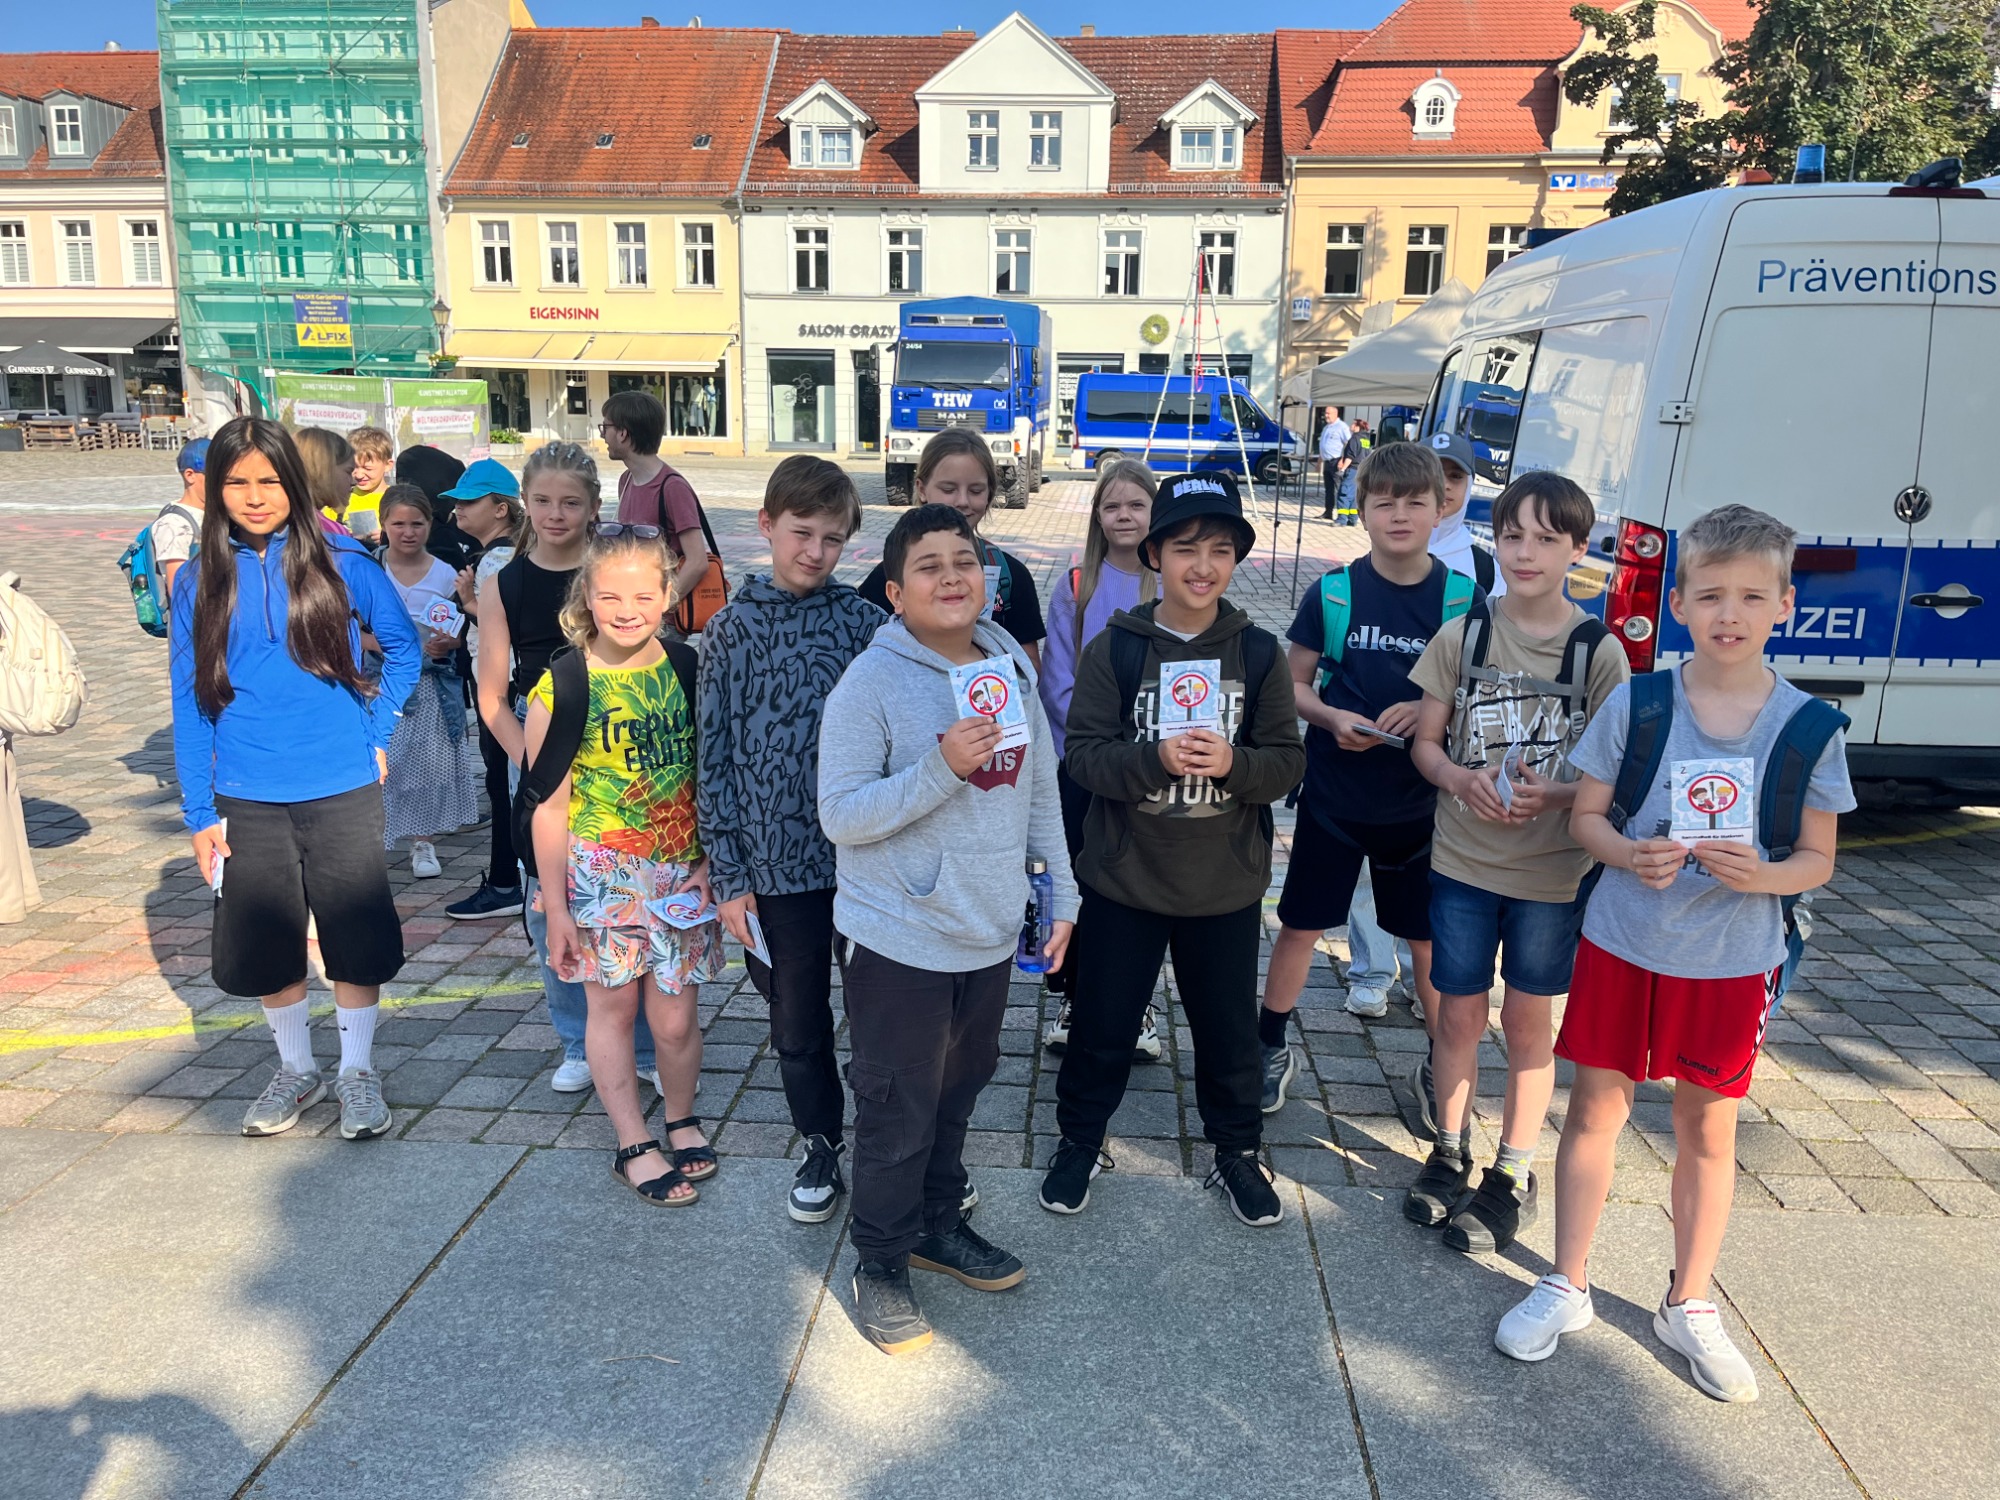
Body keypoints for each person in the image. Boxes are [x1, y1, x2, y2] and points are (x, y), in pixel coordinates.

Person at [1496, 504, 1853, 1405]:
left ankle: (1688, 1300)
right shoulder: (1640, 701)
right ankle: (1568, 1281)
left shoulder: (1811, 727)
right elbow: (1586, 817)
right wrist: (1628, 854)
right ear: (1680, 603)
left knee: (1707, 1128)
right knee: (1594, 1111)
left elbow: (1818, 858)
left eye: (1752, 596)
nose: (1730, 613)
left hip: (1733, 959)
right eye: (1711, 595)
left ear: (1785, 604)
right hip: (1625, 941)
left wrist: (1763, 874)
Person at [818, 503, 1076, 1357]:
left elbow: (1040, 789)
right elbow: (841, 815)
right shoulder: (870, 683)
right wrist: (941, 767)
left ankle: (936, 1222)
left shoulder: (1008, 664)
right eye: (928, 566)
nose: (952, 577)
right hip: (899, 938)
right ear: (896, 593)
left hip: (988, 931)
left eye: (964, 560)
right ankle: (880, 1260)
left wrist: (1062, 892)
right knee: (896, 1108)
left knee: (958, 1093)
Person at [1041, 471, 1305, 1226]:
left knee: (1227, 1033)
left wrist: (1234, 765)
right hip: (1124, 879)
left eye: (1220, 549)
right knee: (1102, 1026)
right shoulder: (1117, 649)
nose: (1203, 565)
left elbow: (1286, 763)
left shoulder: (1258, 652)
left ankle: (1236, 1151)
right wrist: (1154, 758)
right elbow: (1084, 758)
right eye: (1186, 547)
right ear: (1154, 554)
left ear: (1236, 559)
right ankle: (1080, 1140)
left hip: (1223, 884)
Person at [169, 417, 422, 1141]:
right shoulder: (197, 580)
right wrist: (198, 813)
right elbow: (188, 700)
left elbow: (403, 650)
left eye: (269, 481)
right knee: (267, 939)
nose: (254, 497)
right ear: (214, 488)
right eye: (237, 482)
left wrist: (376, 733)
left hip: (341, 784)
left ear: (293, 483)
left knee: (355, 935)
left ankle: (357, 1071)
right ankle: (295, 1067)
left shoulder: (345, 563)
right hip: (245, 793)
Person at [1404, 472, 1627, 1253]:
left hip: (1550, 875)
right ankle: (1449, 1150)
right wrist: (1459, 778)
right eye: (1511, 536)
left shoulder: (1598, 652)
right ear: (1492, 541)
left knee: (1530, 1021)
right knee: (1458, 1013)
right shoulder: (1462, 636)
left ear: (1578, 550)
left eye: (1545, 539)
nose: (1525, 553)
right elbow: (1425, 743)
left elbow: (1611, 776)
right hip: (1462, 862)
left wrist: (1556, 796)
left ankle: (1512, 1170)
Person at [1258, 442, 1474, 1116]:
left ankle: (1442, 1063)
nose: (1400, 515)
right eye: (1385, 503)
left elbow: (1478, 696)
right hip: (1335, 796)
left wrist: (1430, 708)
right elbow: (1292, 685)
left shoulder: (1463, 599)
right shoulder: (1335, 592)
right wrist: (1331, 717)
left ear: (1441, 509)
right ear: (1362, 509)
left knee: (1426, 942)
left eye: (1415, 502)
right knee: (1299, 926)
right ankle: (1268, 1044)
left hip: (1420, 806)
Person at [696, 455, 883, 1223]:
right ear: (767, 525)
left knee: (882, 1017)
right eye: (803, 532)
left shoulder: (865, 625)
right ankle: (820, 1140)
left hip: (865, 861)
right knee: (796, 1020)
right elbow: (713, 759)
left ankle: (893, 1142)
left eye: (833, 539)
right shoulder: (730, 631)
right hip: (775, 870)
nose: (816, 551)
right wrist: (729, 876)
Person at [526, 526, 725, 1207]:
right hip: (600, 875)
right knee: (611, 1010)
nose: (627, 609)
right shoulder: (563, 686)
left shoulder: (689, 669)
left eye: (643, 595)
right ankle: (633, 1142)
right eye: (610, 595)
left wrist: (712, 860)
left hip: (679, 873)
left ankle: (681, 1117)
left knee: (675, 1019)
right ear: (586, 595)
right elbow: (549, 807)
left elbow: (713, 774)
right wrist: (556, 907)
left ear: (668, 594)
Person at [475, 442, 656, 1093]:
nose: (556, 514)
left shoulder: (616, 572)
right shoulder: (504, 584)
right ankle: (578, 1039)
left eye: (570, 502)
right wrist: (536, 765)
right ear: (525, 503)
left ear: (593, 506)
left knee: (631, 894)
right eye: (544, 501)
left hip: (619, 739)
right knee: (549, 898)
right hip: (539, 744)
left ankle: (643, 1046)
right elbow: (492, 696)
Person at [1037, 457, 1159, 1060]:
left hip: (1152, 766)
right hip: (1084, 762)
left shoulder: (1169, 583)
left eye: (1136, 505)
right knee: (1081, 877)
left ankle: (1137, 1005)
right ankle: (1073, 994)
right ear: (1097, 515)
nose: (1124, 516)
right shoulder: (1077, 584)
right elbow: (1058, 678)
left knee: (1139, 885)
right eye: (1112, 505)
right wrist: (1095, 747)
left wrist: (1144, 751)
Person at [858, 428, 1047, 671]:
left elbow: (1030, 667)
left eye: (976, 490)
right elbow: (863, 653)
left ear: (990, 492)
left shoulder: (1012, 575)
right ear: (922, 489)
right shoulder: (889, 575)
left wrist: (978, 677)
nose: (962, 501)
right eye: (948, 489)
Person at [377, 485, 482, 878]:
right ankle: (373, 838)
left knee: (425, 762)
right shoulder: (371, 568)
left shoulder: (445, 574)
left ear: (430, 525)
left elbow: (459, 631)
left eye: (417, 524)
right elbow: (351, 628)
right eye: (398, 524)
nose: (408, 532)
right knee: (381, 760)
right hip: (378, 679)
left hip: (430, 683)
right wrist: (392, 647)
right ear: (384, 524)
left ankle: (423, 841)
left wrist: (448, 643)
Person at [442, 459, 529, 921]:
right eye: (457, 501)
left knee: (502, 784)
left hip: (502, 684)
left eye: (469, 501)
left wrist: (470, 602)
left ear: (500, 509)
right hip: (507, 680)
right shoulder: (508, 552)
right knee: (503, 782)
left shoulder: (496, 559)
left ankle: (506, 881)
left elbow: (505, 621)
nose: (459, 509)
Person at [601, 389, 709, 613]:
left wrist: (658, 607)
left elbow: (698, 562)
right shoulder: (626, 480)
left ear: (622, 433)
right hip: (633, 607)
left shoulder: (672, 487)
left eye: (605, 427)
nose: (603, 436)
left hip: (663, 619)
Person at [1425, 431, 1501, 596]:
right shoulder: (1386, 557)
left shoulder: (1486, 571)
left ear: (1469, 485)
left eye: (1455, 476)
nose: (1444, 485)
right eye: (1433, 474)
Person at [150, 437, 210, 606]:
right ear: (190, 475)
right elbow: (177, 588)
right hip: (197, 615)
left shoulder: (213, 513)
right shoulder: (174, 524)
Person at [294, 427, 356, 537]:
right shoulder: (333, 533)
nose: (353, 481)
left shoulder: (279, 522)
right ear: (325, 470)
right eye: (349, 471)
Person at [344, 426, 394, 546]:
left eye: (368, 468)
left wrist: (388, 537)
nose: (359, 475)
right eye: (354, 467)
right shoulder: (339, 500)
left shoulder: (398, 500)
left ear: (387, 465)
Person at [1335, 419, 1371, 525]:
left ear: (1357, 426)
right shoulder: (1366, 439)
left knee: (1344, 493)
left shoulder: (1354, 438)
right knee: (1355, 495)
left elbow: (1350, 456)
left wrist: (1342, 469)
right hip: (1362, 470)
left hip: (1353, 470)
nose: (1350, 426)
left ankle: (1341, 519)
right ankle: (1352, 519)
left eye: (1353, 424)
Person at [1318, 407, 1350, 519]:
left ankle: (1343, 515)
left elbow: (1348, 444)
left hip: (1337, 461)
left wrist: (1343, 459)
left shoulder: (1342, 427)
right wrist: (1319, 461)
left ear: (1336, 414)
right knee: (1329, 489)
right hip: (1327, 462)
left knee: (1339, 488)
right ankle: (1328, 512)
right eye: (1325, 413)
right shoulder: (1326, 427)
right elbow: (1323, 445)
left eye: (1328, 413)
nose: (1326, 415)